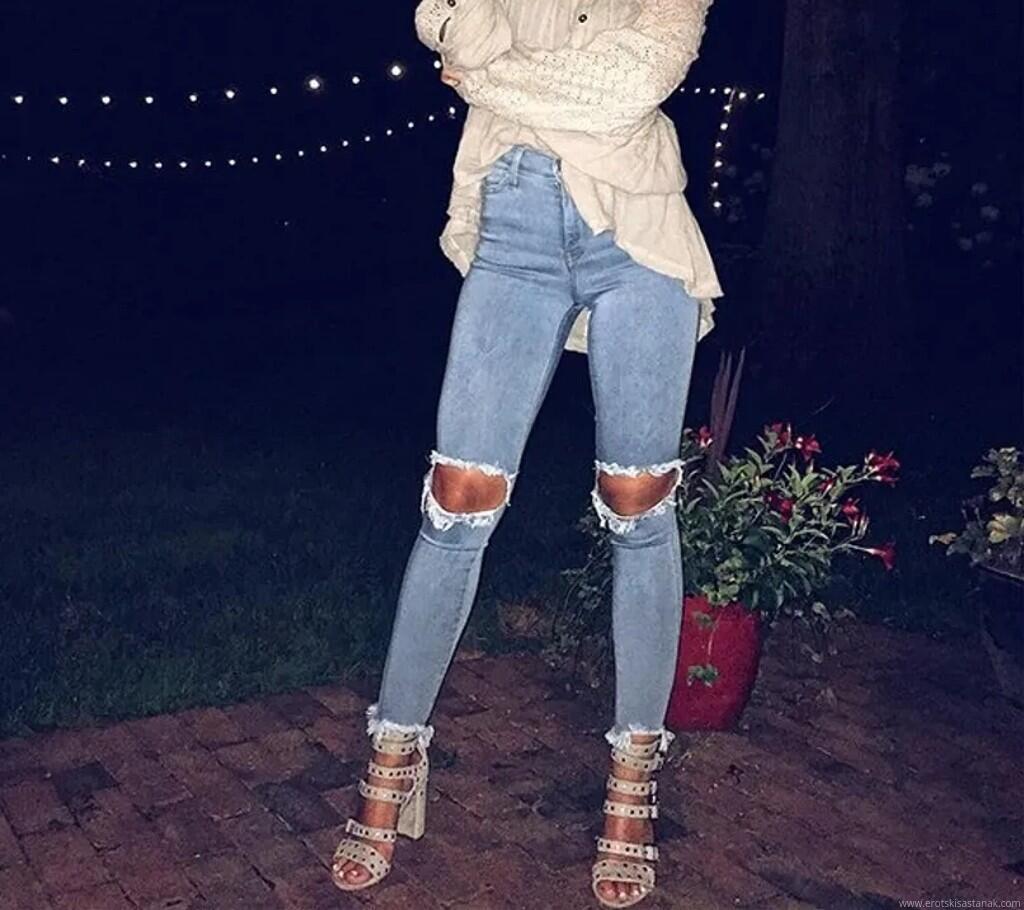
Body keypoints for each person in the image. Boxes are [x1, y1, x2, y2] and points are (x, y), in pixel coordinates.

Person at [332, 0, 722, 905]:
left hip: (638, 234)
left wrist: (486, 74)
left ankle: (634, 771)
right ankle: (395, 751)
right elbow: (443, 16)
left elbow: (630, 86)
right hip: (514, 227)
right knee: (457, 496)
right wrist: (500, 65)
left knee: (639, 502)